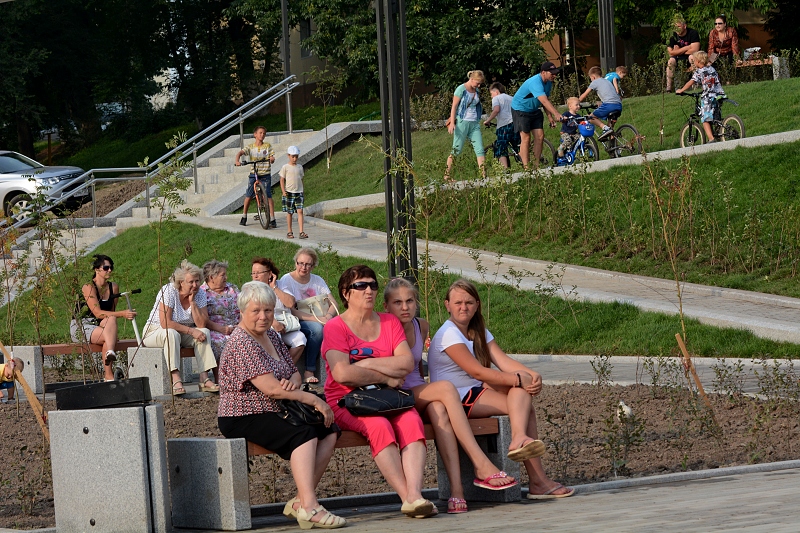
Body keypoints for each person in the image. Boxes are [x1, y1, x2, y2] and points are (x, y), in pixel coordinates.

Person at [428, 279, 574, 501]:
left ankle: (521, 443)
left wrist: (531, 375)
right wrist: (517, 378)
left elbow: (503, 361)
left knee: (522, 396)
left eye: (468, 302)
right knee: (522, 405)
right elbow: (478, 372)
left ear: (477, 304)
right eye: (457, 302)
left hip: (474, 392)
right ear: (447, 305)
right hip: (457, 399)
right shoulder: (448, 333)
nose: (463, 307)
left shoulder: (478, 331)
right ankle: (535, 476)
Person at [217, 281, 345, 530]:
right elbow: (271, 389)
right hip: (243, 413)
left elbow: (292, 372)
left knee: (328, 429)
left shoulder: (272, 336)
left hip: (276, 407)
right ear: (242, 312)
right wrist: (315, 400)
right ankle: (311, 507)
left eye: (268, 310)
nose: (263, 317)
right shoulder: (241, 342)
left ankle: (301, 501)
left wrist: (294, 381)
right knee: (303, 433)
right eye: (256, 311)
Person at [383, 278, 517, 514]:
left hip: (419, 391)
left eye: (410, 301)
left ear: (416, 303)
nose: (404, 307)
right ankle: (480, 463)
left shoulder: (421, 325)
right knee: (445, 388)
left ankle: (456, 491)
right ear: (386, 306)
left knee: (439, 410)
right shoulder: (383, 328)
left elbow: (420, 367)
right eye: (397, 302)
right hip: (398, 393)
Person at [322, 266, 437, 518]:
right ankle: (408, 497)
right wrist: (386, 375)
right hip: (346, 400)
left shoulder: (389, 322)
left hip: (386, 398)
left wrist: (363, 365)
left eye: (372, 285)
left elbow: (406, 363)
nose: (369, 291)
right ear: (346, 293)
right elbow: (342, 375)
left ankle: (415, 494)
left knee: (411, 420)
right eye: (360, 286)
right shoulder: (335, 327)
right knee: (379, 427)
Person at [142, 260, 219, 395]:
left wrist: (192, 302)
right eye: (191, 282)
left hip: (181, 332)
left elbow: (201, 324)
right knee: (171, 333)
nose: (195, 285)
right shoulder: (168, 291)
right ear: (181, 282)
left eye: (197, 281)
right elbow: (165, 323)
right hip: (154, 331)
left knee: (204, 332)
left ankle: (204, 378)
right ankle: (176, 379)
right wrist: (191, 331)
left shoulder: (199, 293)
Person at [71, 254, 137, 381]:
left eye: (111, 267)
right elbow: (97, 313)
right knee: (110, 337)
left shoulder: (114, 287)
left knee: (111, 320)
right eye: (106, 268)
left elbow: (110, 313)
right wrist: (123, 314)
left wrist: (116, 317)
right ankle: (109, 374)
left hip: (101, 324)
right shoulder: (88, 287)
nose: (110, 270)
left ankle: (109, 358)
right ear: (97, 269)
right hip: (82, 325)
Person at [281, 248, 336, 383]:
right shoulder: (286, 280)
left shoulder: (317, 280)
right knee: (316, 329)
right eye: (300, 263)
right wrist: (318, 320)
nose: (303, 267)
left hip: (320, 318)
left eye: (308, 264)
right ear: (295, 263)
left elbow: (333, 302)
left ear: (313, 266)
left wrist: (328, 317)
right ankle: (309, 370)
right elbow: (291, 309)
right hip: (296, 320)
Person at [251, 257, 307, 367]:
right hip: (266, 323)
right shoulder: (252, 289)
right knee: (275, 336)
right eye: (253, 273)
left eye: (259, 273)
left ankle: (285, 369)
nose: (255, 276)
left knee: (300, 339)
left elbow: (290, 303)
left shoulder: (281, 285)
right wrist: (273, 322)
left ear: (269, 274)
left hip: (286, 323)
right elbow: (254, 312)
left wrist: (274, 287)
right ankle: (275, 370)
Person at [511, 61, 563, 169]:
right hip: (521, 109)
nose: (554, 75)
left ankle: (536, 166)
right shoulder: (535, 82)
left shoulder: (548, 83)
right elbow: (544, 101)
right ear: (543, 72)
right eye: (552, 73)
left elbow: (545, 100)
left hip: (534, 110)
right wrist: (556, 114)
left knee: (540, 136)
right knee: (526, 138)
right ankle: (527, 169)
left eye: (555, 73)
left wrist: (550, 117)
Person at [676, 51, 726, 143]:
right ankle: (719, 133)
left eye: (694, 61)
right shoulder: (711, 68)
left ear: (698, 61)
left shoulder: (700, 71)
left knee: (705, 118)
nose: (694, 63)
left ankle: (711, 139)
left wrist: (681, 90)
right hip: (719, 94)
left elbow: (691, 82)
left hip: (708, 96)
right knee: (715, 116)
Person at [234, 125, 277, 228]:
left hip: (265, 173)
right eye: (260, 133)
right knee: (249, 195)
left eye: (264, 133)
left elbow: (272, 156)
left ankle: (272, 218)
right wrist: (237, 160)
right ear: (255, 134)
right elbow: (240, 152)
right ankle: (244, 216)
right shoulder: (250, 147)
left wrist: (271, 159)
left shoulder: (267, 146)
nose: (262, 135)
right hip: (254, 174)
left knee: (268, 195)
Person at [446, 70, 486, 179]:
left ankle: (483, 176)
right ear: (471, 79)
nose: (478, 85)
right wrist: (452, 123)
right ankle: (447, 175)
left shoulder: (476, 91)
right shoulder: (461, 89)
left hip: (474, 123)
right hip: (462, 121)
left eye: (480, 84)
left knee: (480, 148)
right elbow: (454, 106)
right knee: (456, 149)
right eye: (477, 83)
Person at [200, 260, 240, 363]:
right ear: (211, 277)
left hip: (238, 327)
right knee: (220, 343)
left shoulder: (232, 288)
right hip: (216, 330)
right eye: (223, 275)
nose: (226, 277)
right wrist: (222, 329)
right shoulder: (201, 293)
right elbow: (203, 319)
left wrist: (241, 325)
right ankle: (221, 377)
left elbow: (244, 307)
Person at [579, 66, 623, 141]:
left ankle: (604, 128)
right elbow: (609, 94)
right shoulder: (607, 81)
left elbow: (584, 95)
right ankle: (613, 146)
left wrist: (576, 103)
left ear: (593, 77)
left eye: (590, 78)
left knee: (590, 118)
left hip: (609, 105)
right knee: (610, 129)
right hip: (618, 105)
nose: (591, 80)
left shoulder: (595, 82)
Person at [483, 82, 519, 169]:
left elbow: (496, 110)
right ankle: (526, 165)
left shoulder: (496, 98)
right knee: (518, 146)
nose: (491, 96)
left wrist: (488, 120)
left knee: (501, 147)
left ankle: (505, 170)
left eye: (491, 94)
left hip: (504, 126)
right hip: (516, 124)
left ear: (496, 92)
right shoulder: (511, 98)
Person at [666, 14, 701, 92]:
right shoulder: (673, 36)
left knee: (692, 57)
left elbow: (695, 49)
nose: (676, 29)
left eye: (678, 27)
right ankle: (668, 88)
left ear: (684, 26)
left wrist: (677, 51)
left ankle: (696, 84)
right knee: (671, 61)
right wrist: (687, 47)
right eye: (675, 27)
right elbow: (670, 53)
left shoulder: (693, 33)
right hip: (678, 58)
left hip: (690, 57)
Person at [280, 145, 307, 239]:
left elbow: (301, 179)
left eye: (296, 156)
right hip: (289, 192)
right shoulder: (285, 167)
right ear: (288, 156)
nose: (295, 158)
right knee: (290, 212)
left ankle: (301, 231)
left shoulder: (300, 167)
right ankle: (289, 231)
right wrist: (283, 191)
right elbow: (282, 179)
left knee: (300, 211)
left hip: (299, 192)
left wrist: (302, 190)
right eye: (293, 156)